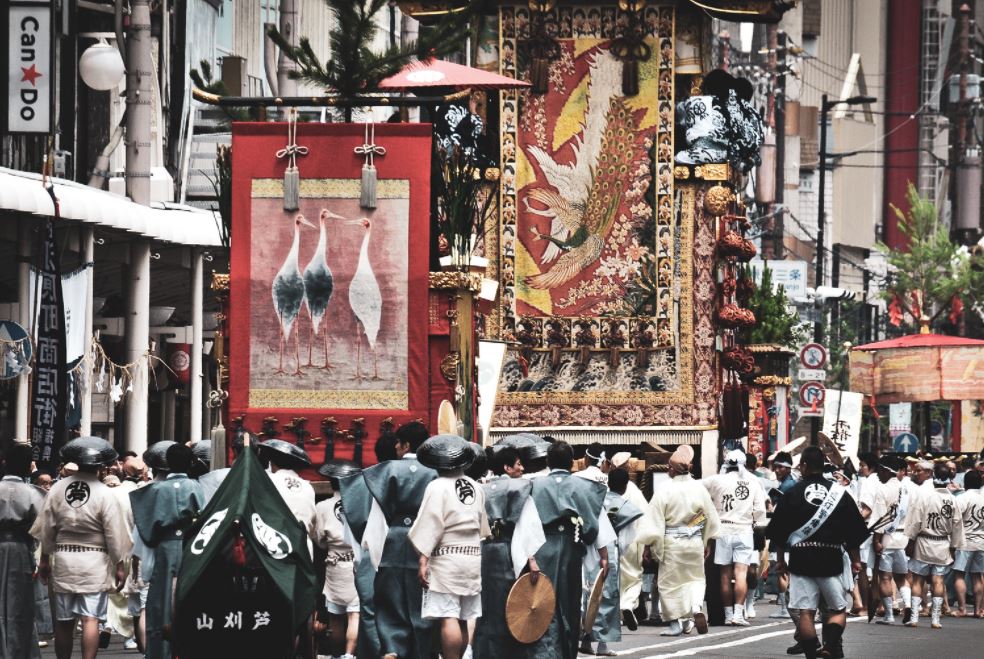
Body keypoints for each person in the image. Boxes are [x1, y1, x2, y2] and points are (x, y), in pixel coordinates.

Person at [31, 437, 131, 659]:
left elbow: (47, 527)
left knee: (64, 621)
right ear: (100, 466)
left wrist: (45, 558)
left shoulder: (58, 489)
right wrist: (120, 564)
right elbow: (114, 533)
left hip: (64, 558)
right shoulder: (104, 493)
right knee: (90, 619)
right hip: (94, 560)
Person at [767, 447, 868, 659]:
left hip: (800, 559)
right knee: (837, 609)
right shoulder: (839, 493)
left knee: (806, 612)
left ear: (803, 465)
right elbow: (853, 529)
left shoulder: (792, 493)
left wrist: (780, 560)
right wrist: (856, 560)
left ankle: (811, 654)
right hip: (831, 559)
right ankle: (830, 645)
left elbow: (778, 531)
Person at [525, 441, 614, 658]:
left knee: (540, 601)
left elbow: (524, 523)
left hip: (540, 546)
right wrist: (603, 554)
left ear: (548, 461)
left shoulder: (533, 485)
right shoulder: (583, 486)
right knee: (569, 602)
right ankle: (566, 652)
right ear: (572, 462)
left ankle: (543, 653)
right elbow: (593, 523)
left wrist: (528, 555)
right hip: (570, 546)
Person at [409, 436, 491, 659]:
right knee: (463, 617)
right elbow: (483, 527)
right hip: (472, 555)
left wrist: (423, 559)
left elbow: (430, 524)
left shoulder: (437, 487)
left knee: (448, 615)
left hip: (447, 557)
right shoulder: (476, 487)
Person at [362, 421, 437, 659]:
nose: (395, 446)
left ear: (405, 445)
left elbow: (377, 520)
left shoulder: (386, 470)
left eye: (398, 442)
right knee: (423, 602)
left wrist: (377, 559)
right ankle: (421, 651)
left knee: (390, 603)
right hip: (425, 539)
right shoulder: (435, 472)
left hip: (393, 538)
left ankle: (393, 648)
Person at [130, 443, 204, 659]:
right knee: (191, 595)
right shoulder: (195, 486)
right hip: (191, 546)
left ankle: (160, 653)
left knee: (161, 600)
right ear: (190, 463)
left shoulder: (155, 490)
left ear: (167, 463)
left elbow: (145, 523)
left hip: (164, 546)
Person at [472, 450, 544, 659]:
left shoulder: (481, 489)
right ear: (507, 467)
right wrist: (531, 558)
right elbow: (527, 525)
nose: (522, 468)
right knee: (511, 604)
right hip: (508, 549)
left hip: (485, 550)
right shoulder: (519, 487)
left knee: (486, 605)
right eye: (518, 463)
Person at [649, 445, 719, 636]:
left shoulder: (664, 489)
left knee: (669, 584)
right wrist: (706, 541)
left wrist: (650, 545)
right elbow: (708, 516)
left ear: (672, 469)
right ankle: (695, 607)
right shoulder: (699, 488)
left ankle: (675, 623)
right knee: (695, 579)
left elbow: (654, 520)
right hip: (694, 541)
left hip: (672, 542)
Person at [580, 468, 642, 657]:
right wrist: (616, 552)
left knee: (589, 594)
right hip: (609, 551)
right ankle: (602, 645)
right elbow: (626, 539)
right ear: (625, 486)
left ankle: (586, 640)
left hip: (589, 549)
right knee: (606, 597)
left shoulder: (596, 500)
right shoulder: (625, 506)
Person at [702, 449, 766, 626]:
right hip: (744, 531)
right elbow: (760, 510)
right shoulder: (753, 481)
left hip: (722, 530)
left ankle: (728, 615)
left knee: (724, 574)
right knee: (741, 573)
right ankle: (739, 613)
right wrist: (753, 520)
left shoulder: (716, 480)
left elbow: (698, 490)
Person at [904, 462, 964, 628]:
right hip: (942, 544)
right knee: (938, 580)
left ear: (933, 477)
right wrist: (953, 548)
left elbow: (915, 521)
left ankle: (914, 618)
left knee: (918, 580)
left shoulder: (925, 497)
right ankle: (936, 619)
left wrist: (910, 541)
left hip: (923, 542)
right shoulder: (953, 500)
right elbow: (957, 526)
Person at [314, 460, 363, 659]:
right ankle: (349, 655)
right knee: (354, 614)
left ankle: (336, 655)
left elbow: (319, 540)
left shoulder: (322, 506)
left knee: (335, 616)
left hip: (334, 563)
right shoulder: (361, 504)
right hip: (356, 563)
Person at [0, 443, 45, 659]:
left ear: (5, 463)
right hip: (20, 548)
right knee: (20, 602)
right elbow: (42, 527)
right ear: (28, 467)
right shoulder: (34, 493)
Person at [609, 453, 658, 630]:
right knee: (634, 578)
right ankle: (627, 604)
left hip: (609, 542)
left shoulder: (605, 491)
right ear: (628, 467)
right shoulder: (633, 491)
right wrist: (648, 544)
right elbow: (645, 518)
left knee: (613, 579)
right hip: (631, 542)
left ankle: (617, 615)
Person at [259, 439, 316, 542]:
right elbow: (311, 525)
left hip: (276, 543)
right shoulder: (308, 487)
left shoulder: (268, 480)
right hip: (303, 544)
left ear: (272, 463)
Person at [768, 451, 797, 619]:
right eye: (775, 467)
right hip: (792, 534)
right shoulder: (791, 483)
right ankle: (789, 606)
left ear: (788, 468)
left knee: (782, 570)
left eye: (780, 467)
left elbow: (776, 510)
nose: (776, 470)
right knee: (788, 571)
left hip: (784, 533)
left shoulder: (787, 486)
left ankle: (786, 608)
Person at [953, 469, 984, 617]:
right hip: (981, 542)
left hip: (965, 542)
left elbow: (955, 519)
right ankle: (978, 610)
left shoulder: (963, 498)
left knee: (959, 575)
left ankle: (962, 609)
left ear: (965, 483)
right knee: (977, 576)